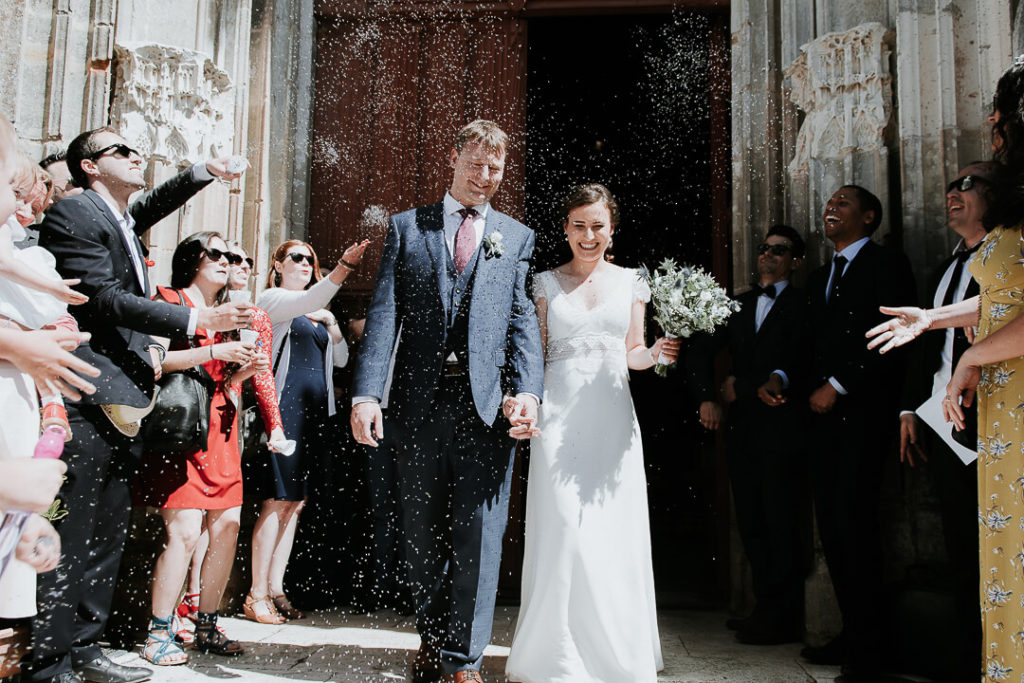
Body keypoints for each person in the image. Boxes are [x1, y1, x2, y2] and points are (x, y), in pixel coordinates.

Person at [30, 126, 251, 683]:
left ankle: (86, 648)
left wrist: (205, 172)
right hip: (87, 393)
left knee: (106, 534)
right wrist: (197, 319)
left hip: (124, 398)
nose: (136, 155)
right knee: (72, 533)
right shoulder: (74, 212)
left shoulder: (119, 216)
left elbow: (153, 204)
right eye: (121, 151)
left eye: (136, 148)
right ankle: (49, 661)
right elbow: (103, 298)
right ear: (88, 166)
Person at [351, 119, 544, 683]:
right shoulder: (407, 227)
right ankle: (432, 640)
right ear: (453, 159)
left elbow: (520, 320)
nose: (484, 176)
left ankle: (464, 660)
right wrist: (367, 393)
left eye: (495, 169)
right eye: (475, 164)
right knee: (421, 532)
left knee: (480, 534)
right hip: (417, 406)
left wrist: (528, 391)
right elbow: (385, 314)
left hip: (486, 408)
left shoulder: (516, 236)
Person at [866, 60, 1024, 683]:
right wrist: (931, 321)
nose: (992, 120)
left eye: (1002, 110)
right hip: (991, 410)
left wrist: (972, 357)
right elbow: (1006, 300)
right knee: (994, 556)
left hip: (1013, 401)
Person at [504, 183, 677, 682]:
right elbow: (533, 355)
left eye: (598, 226)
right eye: (578, 225)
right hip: (557, 419)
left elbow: (633, 352)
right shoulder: (543, 283)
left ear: (612, 229)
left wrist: (657, 353)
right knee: (563, 528)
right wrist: (522, 400)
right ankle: (557, 654)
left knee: (610, 531)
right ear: (565, 229)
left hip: (612, 419)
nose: (588, 235)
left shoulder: (633, 282)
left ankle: (615, 655)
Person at [133, 232, 276, 665]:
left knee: (228, 526)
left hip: (221, 427)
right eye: (216, 253)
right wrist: (215, 347)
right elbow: (155, 361)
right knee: (184, 530)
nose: (226, 261)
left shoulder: (233, 314)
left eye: (231, 255)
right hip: (181, 428)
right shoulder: (169, 300)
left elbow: (223, 380)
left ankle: (207, 623)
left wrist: (243, 370)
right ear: (192, 257)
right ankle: (158, 631)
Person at [801, 185, 917, 682]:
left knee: (858, 529)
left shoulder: (887, 265)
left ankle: (871, 652)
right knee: (833, 528)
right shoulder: (820, 276)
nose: (832, 206)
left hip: (865, 415)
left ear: (869, 217)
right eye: (830, 201)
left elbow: (898, 338)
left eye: (844, 202)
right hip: (823, 421)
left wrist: (839, 385)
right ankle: (853, 633)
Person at [684, 224, 808, 645]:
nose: (768, 255)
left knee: (780, 519)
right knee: (752, 520)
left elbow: (804, 358)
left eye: (780, 250)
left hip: (783, 429)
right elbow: (700, 349)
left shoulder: (805, 304)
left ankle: (782, 616)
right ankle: (763, 608)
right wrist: (707, 396)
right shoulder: (738, 304)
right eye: (764, 248)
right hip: (742, 430)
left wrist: (747, 383)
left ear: (795, 261)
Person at [895, 163, 996, 681]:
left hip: (997, 417)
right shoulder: (945, 267)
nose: (954, 192)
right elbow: (927, 346)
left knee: (998, 546)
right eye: (952, 184)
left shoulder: (1006, 260)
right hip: (944, 421)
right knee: (960, 544)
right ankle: (970, 660)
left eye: (969, 184)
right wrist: (911, 408)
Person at [248, 237, 368, 623]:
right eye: (296, 257)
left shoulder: (317, 312)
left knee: (295, 503)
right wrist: (343, 268)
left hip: (314, 415)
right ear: (277, 264)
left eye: (309, 259)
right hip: (285, 410)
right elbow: (307, 300)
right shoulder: (273, 300)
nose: (304, 263)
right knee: (276, 500)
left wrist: (330, 322)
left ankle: (277, 588)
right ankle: (255, 593)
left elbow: (340, 358)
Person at [175, 241, 287, 636]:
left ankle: (203, 608)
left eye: (244, 260)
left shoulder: (255, 315)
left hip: (229, 418)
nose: (237, 264)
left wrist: (274, 424)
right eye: (227, 257)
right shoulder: (193, 306)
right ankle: (183, 602)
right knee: (188, 520)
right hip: (189, 416)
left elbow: (259, 375)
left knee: (222, 520)